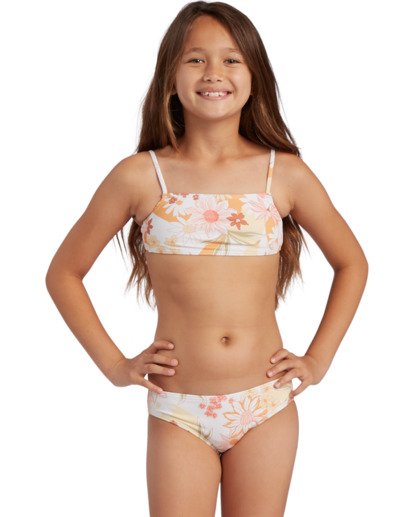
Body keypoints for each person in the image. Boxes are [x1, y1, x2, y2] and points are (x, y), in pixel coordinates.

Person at [45, 2, 369, 515]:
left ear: (254, 78)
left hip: (264, 404)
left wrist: (318, 359)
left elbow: (352, 262)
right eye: (195, 59)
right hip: (179, 409)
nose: (214, 72)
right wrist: (114, 365)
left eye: (232, 59)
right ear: (170, 78)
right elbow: (64, 273)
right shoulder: (140, 176)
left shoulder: (283, 174)